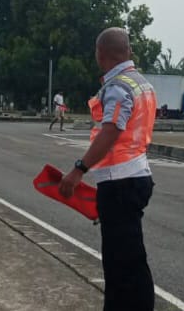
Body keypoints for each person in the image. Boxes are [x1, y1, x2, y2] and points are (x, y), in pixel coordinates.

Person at [58, 27, 156, 311]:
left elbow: (111, 130)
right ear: (129, 52)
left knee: (119, 265)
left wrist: (79, 169)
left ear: (100, 55)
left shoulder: (118, 87)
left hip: (120, 184)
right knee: (131, 261)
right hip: (136, 176)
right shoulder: (141, 83)